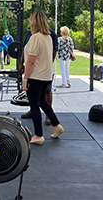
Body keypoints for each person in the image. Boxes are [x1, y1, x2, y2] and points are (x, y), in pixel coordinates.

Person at [22, 11, 64, 144]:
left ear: (33, 22)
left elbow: (31, 61)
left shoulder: (35, 38)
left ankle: (38, 135)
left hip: (35, 76)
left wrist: (25, 79)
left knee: (34, 105)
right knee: (42, 102)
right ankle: (57, 125)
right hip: (45, 75)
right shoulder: (48, 37)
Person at [20, 27, 58, 125]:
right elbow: (25, 49)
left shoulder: (49, 35)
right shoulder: (31, 34)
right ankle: (56, 125)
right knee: (39, 101)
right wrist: (21, 62)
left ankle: (41, 131)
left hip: (39, 72)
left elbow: (53, 51)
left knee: (43, 95)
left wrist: (25, 79)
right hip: (38, 71)